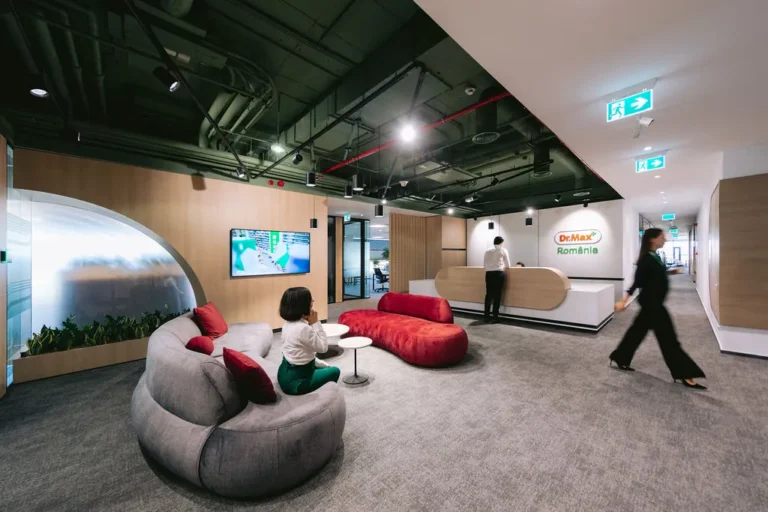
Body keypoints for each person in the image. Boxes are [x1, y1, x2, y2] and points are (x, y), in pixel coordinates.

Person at [610, 228, 707, 389]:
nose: (665, 239)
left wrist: (669, 273)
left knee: (636, 333)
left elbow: (653, 277)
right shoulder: (645, 259)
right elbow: (637, 282)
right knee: (669, 340)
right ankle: (684, 373)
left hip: (653, 303)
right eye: (662, 237)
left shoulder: (655, 256)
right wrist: (624, 300)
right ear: (652, 239)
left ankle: (620, 357)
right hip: (652, 305)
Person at [277, 287, 340, 395]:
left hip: (283, 374)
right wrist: (315, 322)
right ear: (302, 304)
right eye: (310, 299)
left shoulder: (287, 324)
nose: (313, 301)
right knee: (335, 371)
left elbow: (304, 352)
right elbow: (323, 348)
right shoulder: (303, 328)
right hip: (296, 383)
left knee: (323, 366)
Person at [483, 236, 511, 323]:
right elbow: (508, 265)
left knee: (488, 295)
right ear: (501, 243)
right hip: (498, 274)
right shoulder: (503, 250)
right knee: (497, 295)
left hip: (488, 274)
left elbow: (484, 264)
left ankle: (486, 316)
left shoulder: (487, 250)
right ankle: (495, 317)